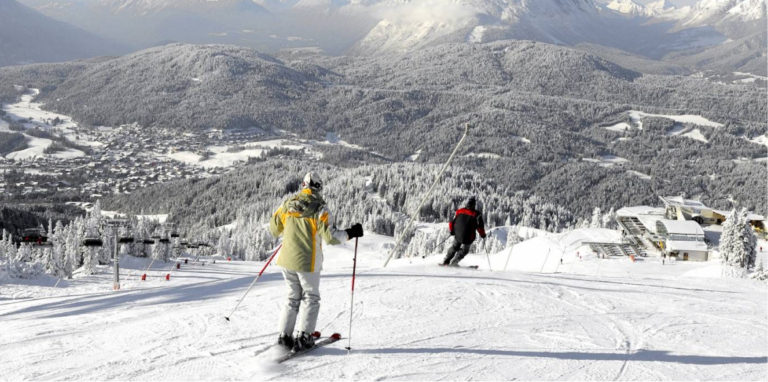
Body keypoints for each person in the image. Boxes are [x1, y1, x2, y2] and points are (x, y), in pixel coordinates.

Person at [269, 172, 363, 352]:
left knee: (292, 297)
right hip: (307, 262)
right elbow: (331, 238)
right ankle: (304, 337)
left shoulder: (287, 204)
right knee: (311, 298)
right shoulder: (320, 208)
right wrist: (351, 233)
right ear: (319, 187)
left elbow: (274, 229)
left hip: (286, 259)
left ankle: (284, 336)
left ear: (303, 185)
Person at [442, 196, 486, 266]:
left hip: (457, 235)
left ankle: (446, 260)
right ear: (474, 205)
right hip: (468, 238)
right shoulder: (477, 215)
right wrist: (483, 235)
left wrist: (452, 231)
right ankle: (454, 262)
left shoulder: (459, 211)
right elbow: (480, 227)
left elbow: (451, 222)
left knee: (454, 247)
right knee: (464, 250)